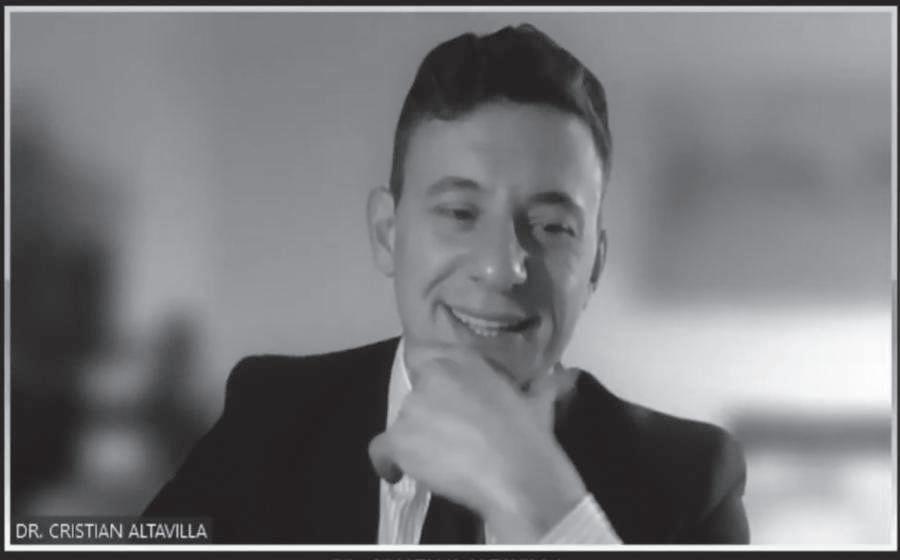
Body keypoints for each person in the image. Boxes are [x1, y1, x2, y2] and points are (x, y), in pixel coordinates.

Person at [143, 23, 750, 545]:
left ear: (594, 265)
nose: (503, 267)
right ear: (387, 235)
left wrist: (552, 516)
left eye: (551, 226)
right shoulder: (270, 415)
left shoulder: (691, 480)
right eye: (461, 213)